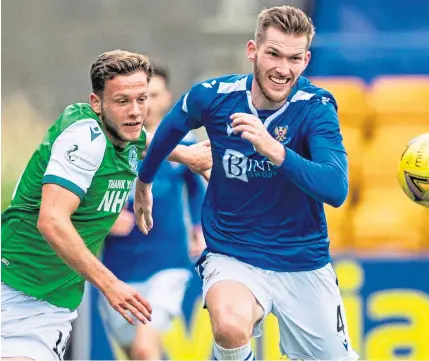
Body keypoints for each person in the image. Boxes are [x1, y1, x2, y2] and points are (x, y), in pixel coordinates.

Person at [135, 5, 360, 361]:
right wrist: (144, 180)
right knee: (228, 325)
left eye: (294, 58)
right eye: (273, 54)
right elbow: (168, 130)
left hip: (303, 261)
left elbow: (335, 188)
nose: (282, 69)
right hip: (233, 253)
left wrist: (274, 149)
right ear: (253, 50)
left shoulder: (315, 107)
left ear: (306, 60)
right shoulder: (213, 96)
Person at [1, 50, 212, 361]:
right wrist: (111, 285)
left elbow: (144, 141)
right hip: (15, 287)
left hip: (49, 302)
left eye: (142, 99)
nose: (136, 111)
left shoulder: (123, 134)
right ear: (97, 103)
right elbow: (52, 221)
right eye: (122, 101)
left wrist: (171, 165)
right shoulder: (85, 139)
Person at [99, 65, 207, 360]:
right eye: (137, 97)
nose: (144, 105)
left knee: (146, 348)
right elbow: (77, 200)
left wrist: (200, 228)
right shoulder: (107, 145)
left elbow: (198, 188)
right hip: (118, 271)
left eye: (151, 96)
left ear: (166, 97)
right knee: (138, 352)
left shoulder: (184, 144)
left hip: (167, 264)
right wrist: (103, 220)